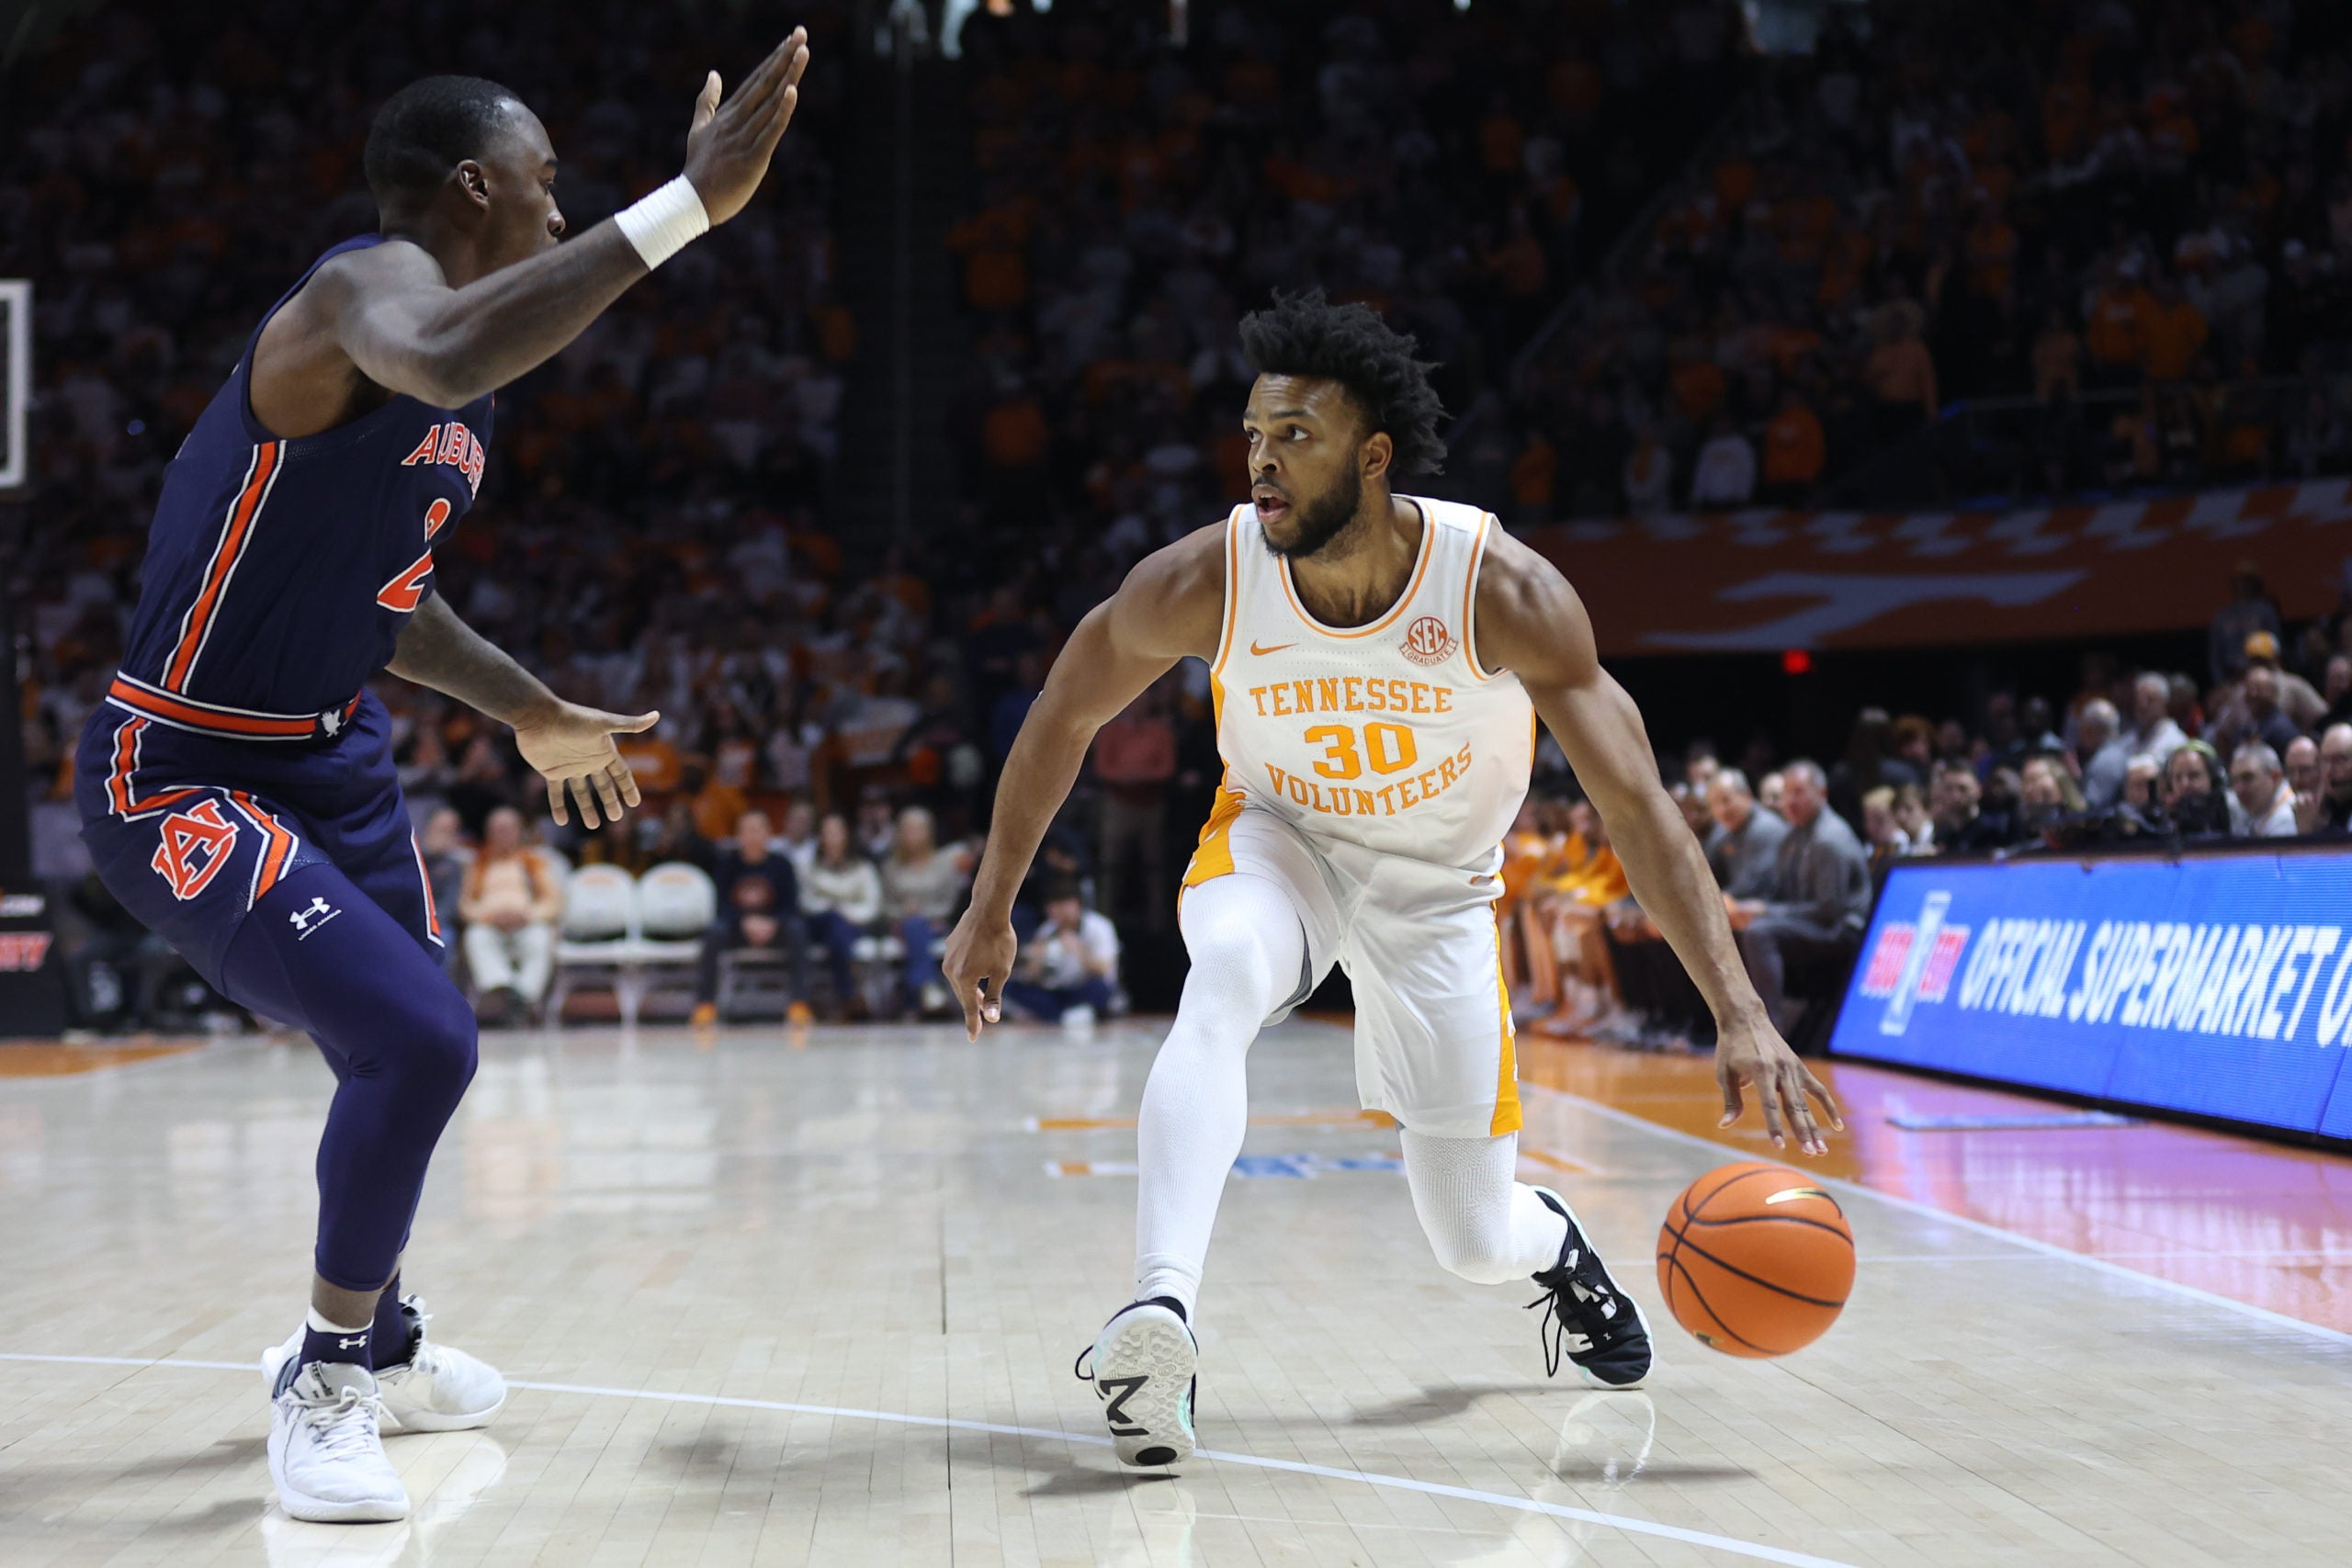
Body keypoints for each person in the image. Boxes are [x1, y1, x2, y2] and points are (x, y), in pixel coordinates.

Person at [67, 40, 814, 1523]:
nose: (559, 212)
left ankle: (384, 1340)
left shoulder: (456, 392)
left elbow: (388, 600)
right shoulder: (354, 297)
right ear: (473, 183)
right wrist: (682, 209)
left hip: (332, 756)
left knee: (395, 1048)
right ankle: (327, 1376)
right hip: (183, 764)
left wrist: (530, 708)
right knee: (425, 1042)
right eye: (546, 187)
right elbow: (457, 348)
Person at [943, 292, 1836, 1470]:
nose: (1262, 461)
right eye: (1254, 434)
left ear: (1372, 456)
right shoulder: (1206, 576)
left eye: (1296, 436)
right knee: (1222, 979)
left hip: (1441, 891)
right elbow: (1062, 717)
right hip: (1279, 840)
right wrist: (991, 902)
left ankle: (1554, 1249)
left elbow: (1638, 808)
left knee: (1469, 1236)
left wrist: (1740, 1011)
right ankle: (1159, 1316)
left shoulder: (1499, 590)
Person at [1730, 761, 1873, 1040]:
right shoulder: (1792, 835)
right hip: (1814, 922)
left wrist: (1766, 912)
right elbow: (1780, 893)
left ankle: (1770, 1031)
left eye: (1798, 792)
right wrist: (1749, 908)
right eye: (1786, 793)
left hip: (1841, 930)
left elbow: (1828, 911)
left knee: (1760, 933)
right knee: (1737, 926)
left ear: (1821, 793)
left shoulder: (1829, 839)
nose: (1789, 801)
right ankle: (1726, 1024)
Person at [691, 809, 810, 1026]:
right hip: (738, 929)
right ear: (739, 836)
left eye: (758, 830)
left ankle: (799, 1004)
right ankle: (705, 1004)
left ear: (769, 834)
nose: (753, 835)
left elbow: (791, 905)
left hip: (774, 928)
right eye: (747, 830)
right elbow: (721, 906)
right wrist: (744, 922)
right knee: (713, 933)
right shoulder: (728, 864)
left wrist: (772, 923)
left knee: (797, 930)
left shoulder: (782, 865)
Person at [457, 806, 562, 1022]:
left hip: (526, 923)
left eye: (508, 829)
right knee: (475, 936)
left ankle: (524, 995)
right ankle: (503, 987)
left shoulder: (533, 861)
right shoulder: (478, 863)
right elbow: (465, 904)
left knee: (541, 937)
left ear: (518, 831)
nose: (503, 835)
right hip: (490, 924)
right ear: (489, 833)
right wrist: (488, 917)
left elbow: (553, 901)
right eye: (497, 830)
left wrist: (527, 916)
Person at [883, 806, 967, 1017]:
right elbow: (885, 904)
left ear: (929, 831)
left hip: (936, 924)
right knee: (913, 925)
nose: (912, 834)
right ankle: (927, 987)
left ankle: (915, 993)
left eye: (917, 829)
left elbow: (950, 902)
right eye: (907, 829)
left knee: (918, 924)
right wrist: (904, 911)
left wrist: (925, 912)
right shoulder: (891, 867)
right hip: (901, 925)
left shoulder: (942, 863)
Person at [798, 811, 883, 1016]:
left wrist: (846, 912)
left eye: (837, 832)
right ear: (819, 837)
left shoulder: (863, 868)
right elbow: (806, 900)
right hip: (818, 921)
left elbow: (872, 904)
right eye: (827, 832)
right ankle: (849, 995)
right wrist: (832, 909)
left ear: (846, 835)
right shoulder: (808, 867)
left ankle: (837, 997)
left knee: (838, 930)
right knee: (828, 925)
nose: (832, 838)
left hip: (852, 923)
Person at [1002, 883, 1121, 1027]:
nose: (1060, 912)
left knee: (1100, 987)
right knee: (1013, 988)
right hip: (1058, 990)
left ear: (1078, 905)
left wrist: (1079, 950)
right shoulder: (1046, 931)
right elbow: (1032, 977)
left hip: (1084, 987)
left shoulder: (1099, 927)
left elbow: (1103, 970)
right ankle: (1066, 1016)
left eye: (1065, 905)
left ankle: (1064, 1015)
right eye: (1055, 906)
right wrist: (1037, 959)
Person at [2228, 743, 2299, 837]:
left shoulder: (2285, 820)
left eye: (2247, 778)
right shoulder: (2261, 809)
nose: (2239, 790)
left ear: (2275, 777)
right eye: (2234, 781)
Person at [2074, 698, 2131, 812]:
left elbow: (2090, 806)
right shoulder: (2111, 753)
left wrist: (2067, 780)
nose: (2079, 733)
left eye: (2083, 727)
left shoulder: (2108, 760)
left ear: (2092, 730)